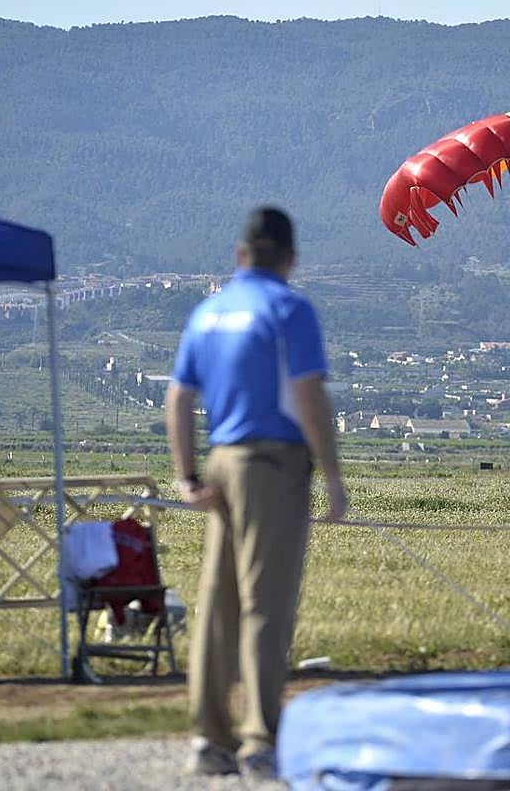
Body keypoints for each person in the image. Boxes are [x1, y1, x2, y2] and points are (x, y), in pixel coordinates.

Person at [165, 206, 349, 779]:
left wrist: (187, 475)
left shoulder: (208, 311)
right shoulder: (290, 309)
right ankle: (260, 737)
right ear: (291, 259)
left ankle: (209, 738)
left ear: (240, 255)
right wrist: (332, 475)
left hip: (219, 461)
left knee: (217, 604)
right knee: (265, 603)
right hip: (271, 464)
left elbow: (178, 398)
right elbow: (309, 395)